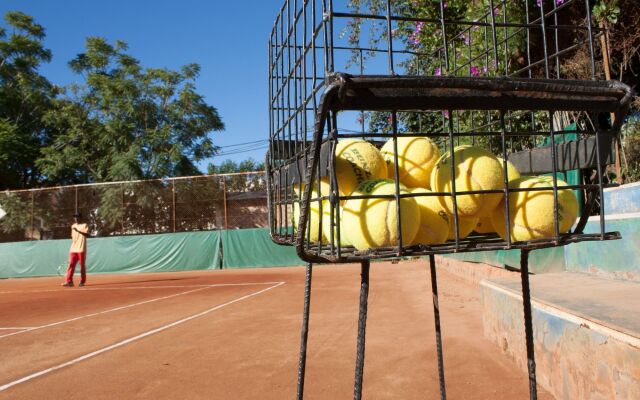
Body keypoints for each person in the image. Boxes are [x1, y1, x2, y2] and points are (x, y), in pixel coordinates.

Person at [62, 213, 89, 287]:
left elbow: (87, 235)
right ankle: (69, 281)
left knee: (82, 266)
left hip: (81, 249)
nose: (76, 219)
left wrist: (78, 231)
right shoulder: (73, 226)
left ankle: (82, 281)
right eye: (75, 217)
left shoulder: (84, 225)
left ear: (81, 218)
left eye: (77, 217)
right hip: (73, 249)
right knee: (71, 265)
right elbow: (73, 237)